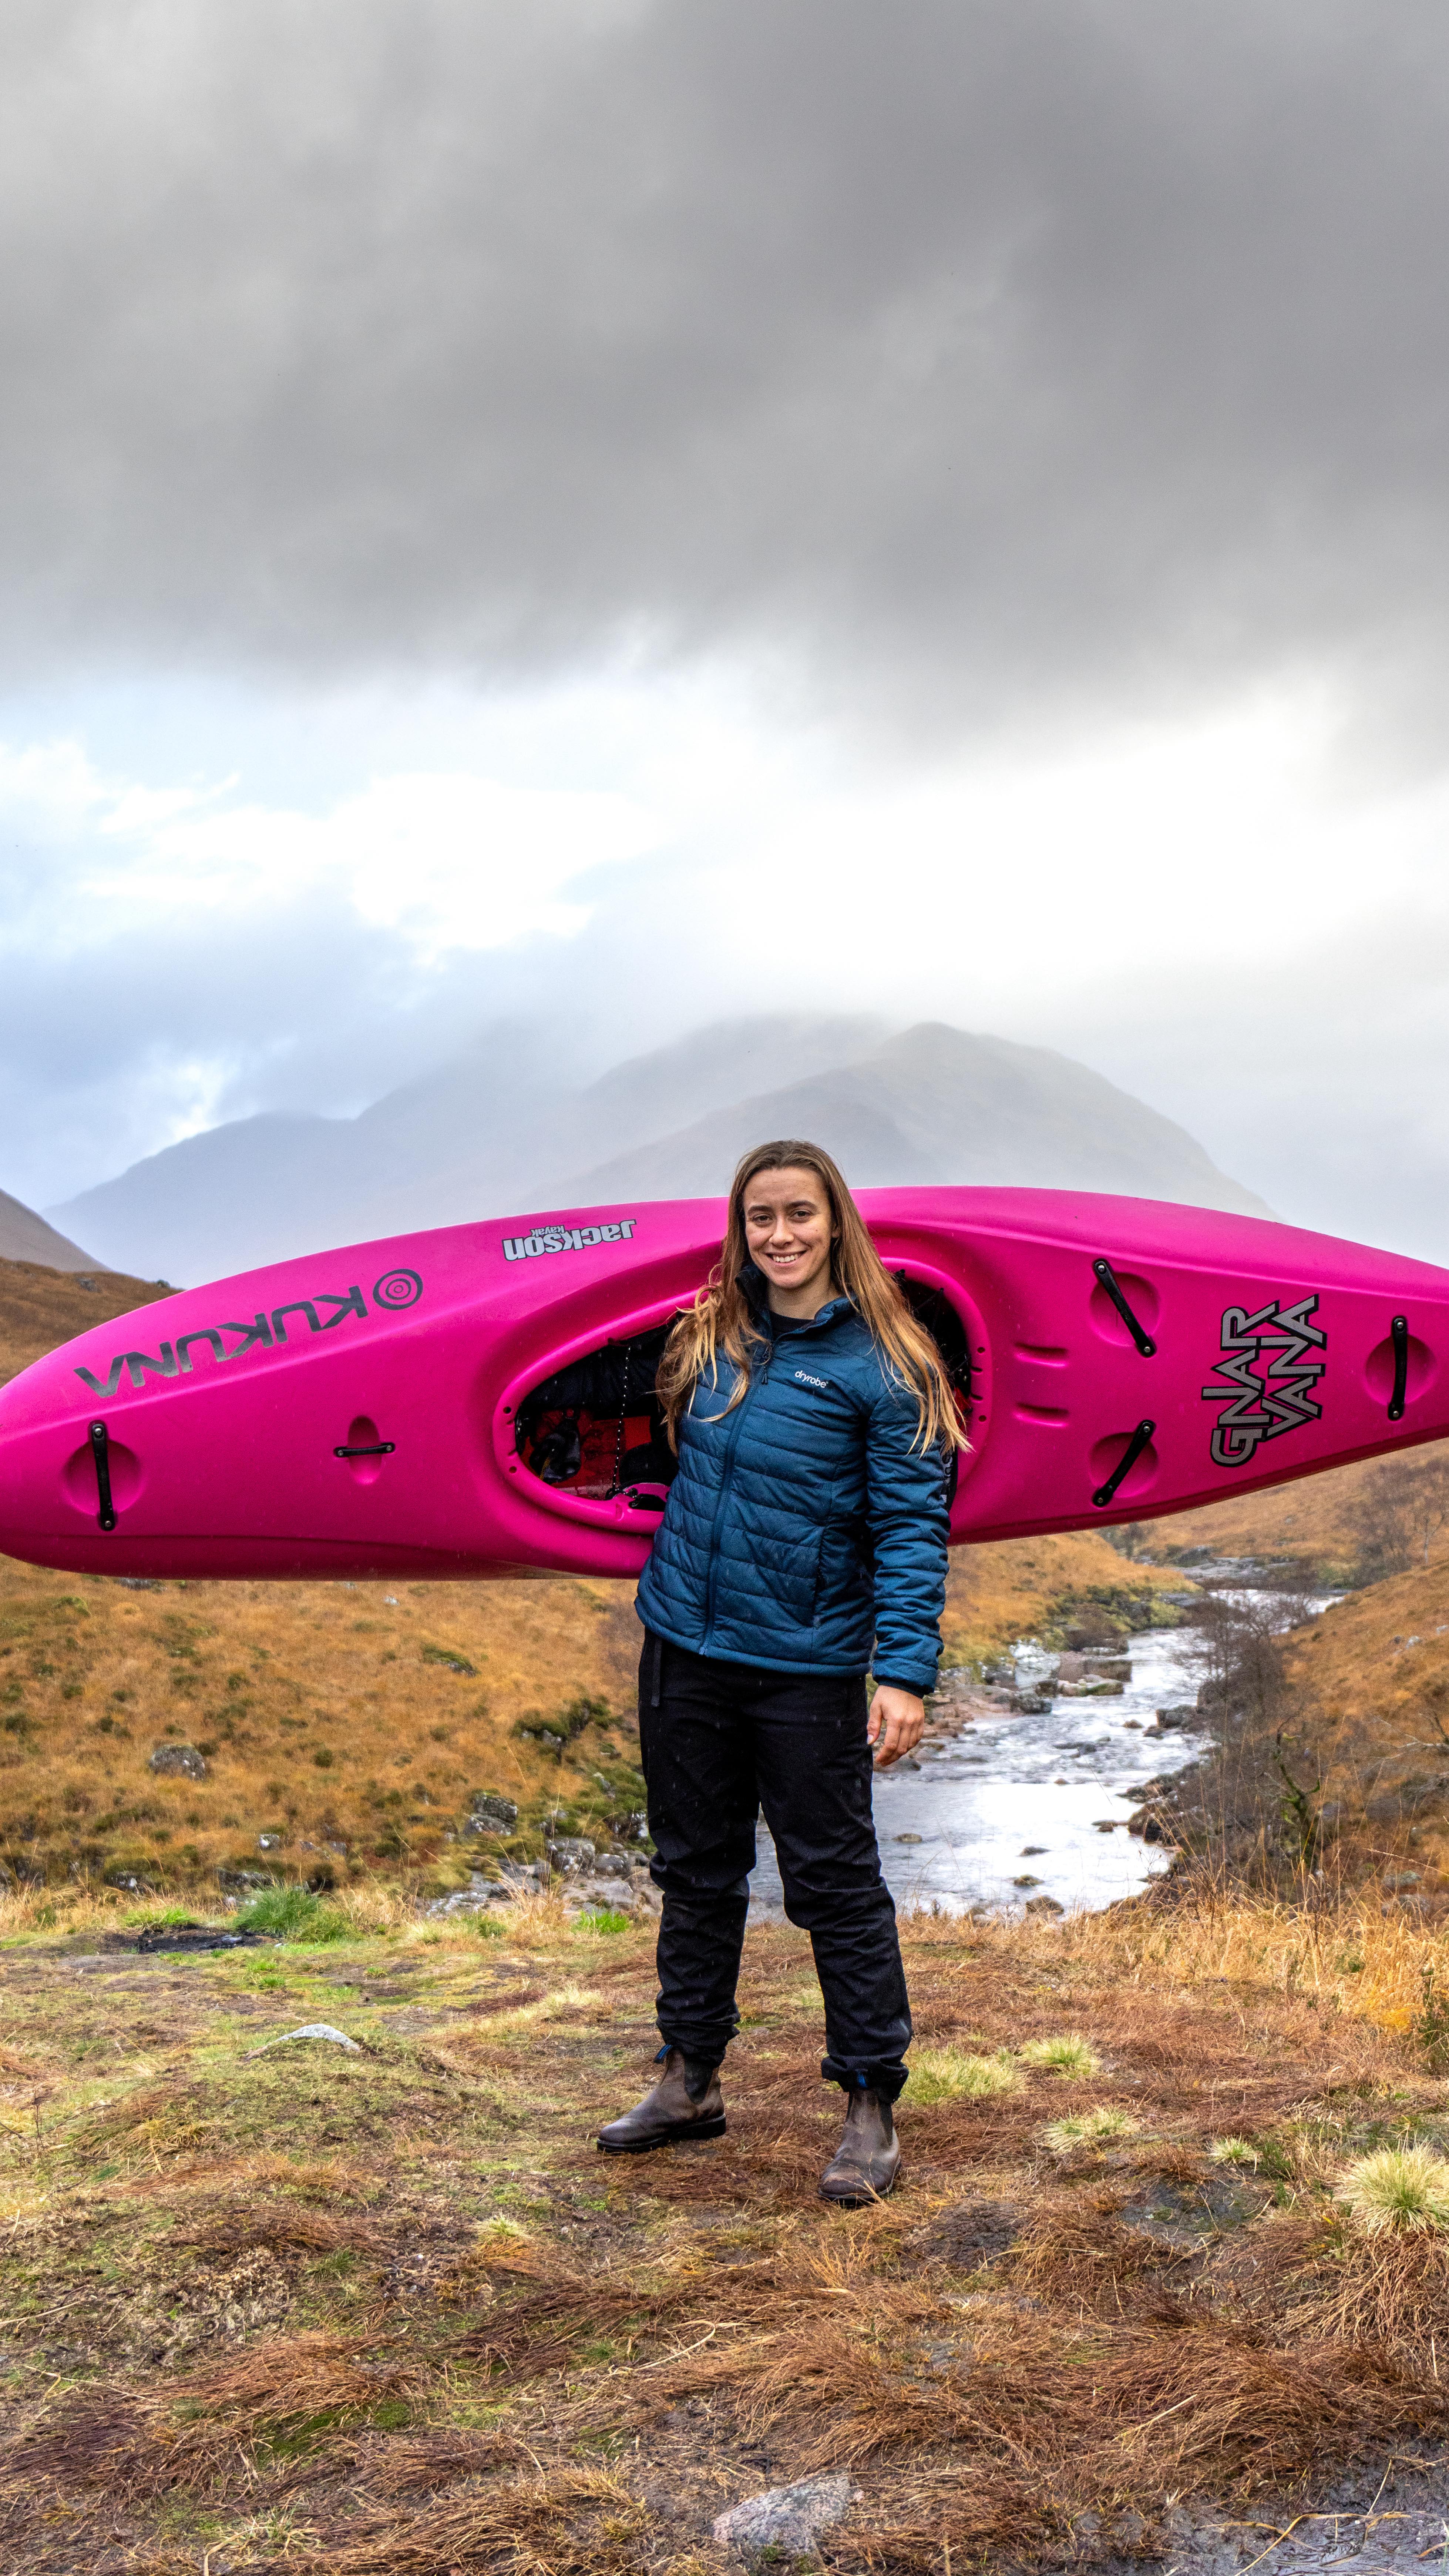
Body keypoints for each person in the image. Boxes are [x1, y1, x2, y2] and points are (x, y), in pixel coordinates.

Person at [596, 1139, 967, 2203]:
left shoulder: (888, 1365)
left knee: (835, 1886)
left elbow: (912, 1531)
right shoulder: (712, 1335)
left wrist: (904, 1674)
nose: (781, 1235)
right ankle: (689, 2079)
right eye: (761, 1218)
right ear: (740, 1230)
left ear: (835, 1220)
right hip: (683, 1646)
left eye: (799, 1213)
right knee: (694, 1872)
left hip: (803, 1664)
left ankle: (870, 2104)